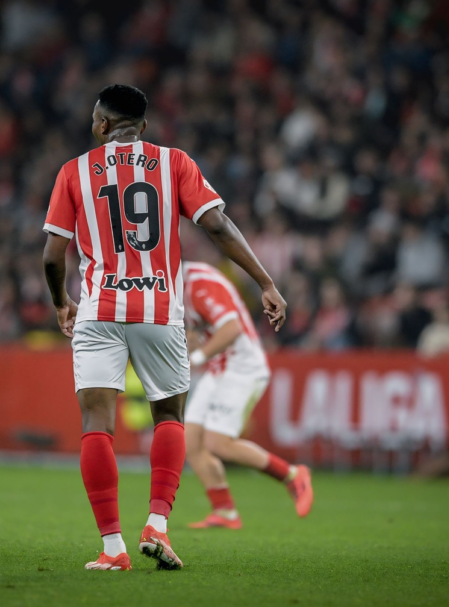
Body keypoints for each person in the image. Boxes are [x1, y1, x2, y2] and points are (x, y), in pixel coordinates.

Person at [43, 84, 287, 571]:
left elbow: (53, 255)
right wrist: (265, 281)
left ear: (103, 125)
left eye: (95, 119)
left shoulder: (73, 172)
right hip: (159, 310)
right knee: (169, 418)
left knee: (97, 424)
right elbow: (216, 225)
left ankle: (112, 549)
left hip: (99, 310)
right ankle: (157, 524)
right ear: (144, 128)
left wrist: (61, 303)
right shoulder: (174, 162)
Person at [182, 261, 312, 529]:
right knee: (192, 441)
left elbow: (232, 329)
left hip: (242, 368)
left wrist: (195, 357)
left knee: (218, 443)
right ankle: (225, 511)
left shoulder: (198, 283)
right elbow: (201, 331)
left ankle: (291, 474)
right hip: (220, 368)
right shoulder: (180, 286)